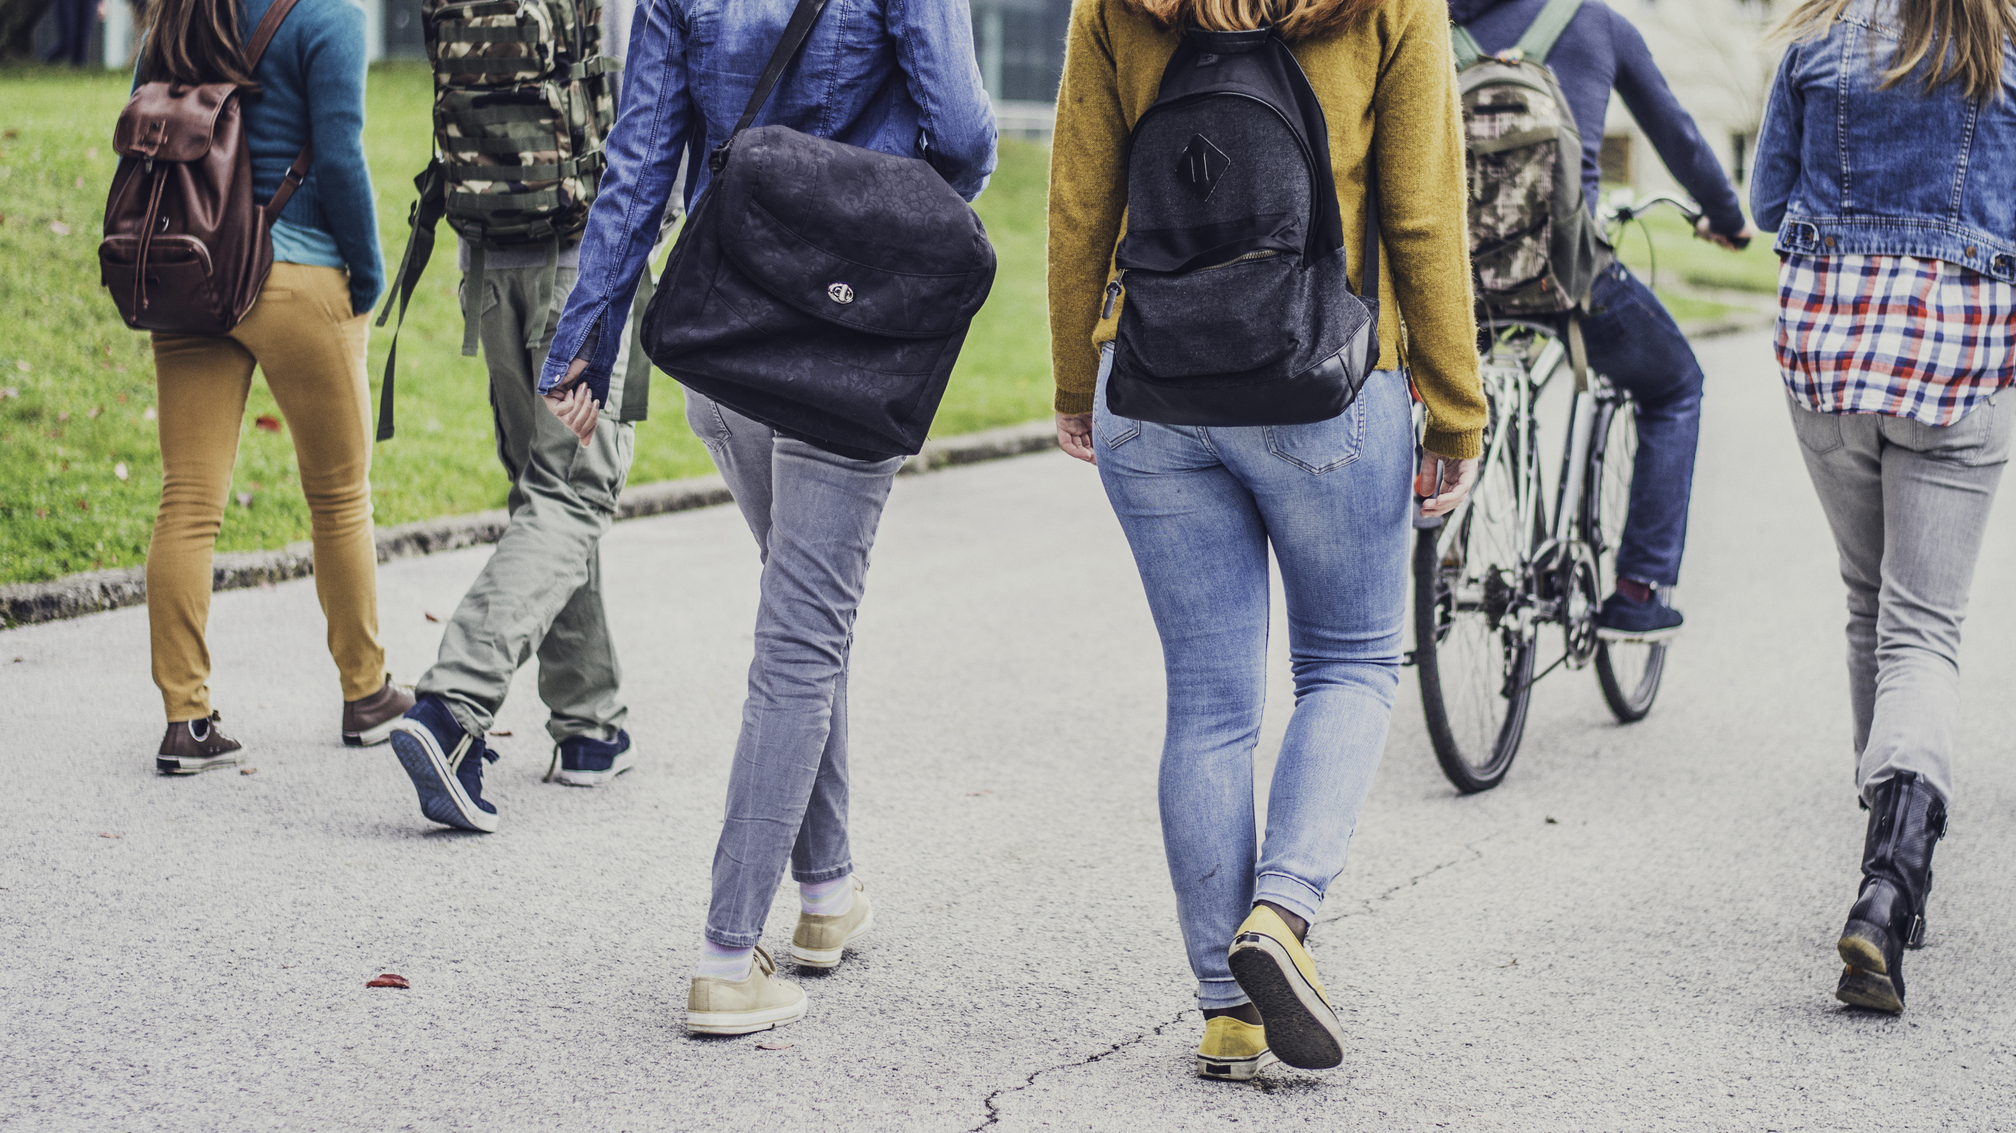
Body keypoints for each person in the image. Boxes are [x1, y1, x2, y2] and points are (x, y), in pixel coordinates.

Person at [530, 0, 995, 1034]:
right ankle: (723, 954)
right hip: (851, 337)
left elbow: (640, 164)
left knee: (802, 617)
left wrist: (585, 340)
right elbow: (962, 135)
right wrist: (888, 218)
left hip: (727, 320)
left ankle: (824, 892)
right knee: (802, 633)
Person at [1047, 0, 1481, 1078]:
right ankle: (1278, 916)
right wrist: (1457, 406)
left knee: (1206, 700)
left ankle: (1224, 1009)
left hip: (1148, 379)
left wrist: (1072, 375)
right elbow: (1422, 212)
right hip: (1325, 381)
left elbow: (1077, 200)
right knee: (1347, 661)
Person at [1748, 0, 2016, 1014]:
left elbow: (1767, 202)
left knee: (1868, 600)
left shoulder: (1811, 38)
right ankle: (1890, 882)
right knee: (1921, 625)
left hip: (1828, 353)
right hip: (1957, 358)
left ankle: (1881, 866)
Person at [384, 9, 651, 832]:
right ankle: (453, 706)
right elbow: (656, 111)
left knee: (548, 491)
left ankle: (588, 725)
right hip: (585, 268)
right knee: (571, 496)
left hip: (488, 267)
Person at [139, 0, 411, 774]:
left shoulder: (181, 12)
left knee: (188, 500)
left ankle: (185, 720)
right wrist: (367, 273)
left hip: (191, 269)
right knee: (338, 496)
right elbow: (340, 155)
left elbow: (145, 116)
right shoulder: (331, 15)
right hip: (296, 272)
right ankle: (366, 694)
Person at [1451, 0, 1757, 638]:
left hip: (1455, 286)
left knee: (1446, 395)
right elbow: (1680, 138)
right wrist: (1726, 218)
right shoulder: (1592, 21)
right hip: (1566, 278)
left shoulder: (1427, 20)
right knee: (1676, 386)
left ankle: (1441, 559)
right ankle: (1638, 593)